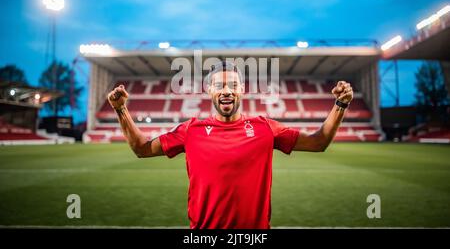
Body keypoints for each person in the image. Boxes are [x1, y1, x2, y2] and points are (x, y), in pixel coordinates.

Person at [107, 61, 353, 229]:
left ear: (242, 90)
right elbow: (141, 148)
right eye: (220, 85)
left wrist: (340, 105)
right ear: (209, 90)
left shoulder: (265, 127)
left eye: (233, 86)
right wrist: (121, 110)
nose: (227, 91)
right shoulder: (190, 130)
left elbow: (318, 142)